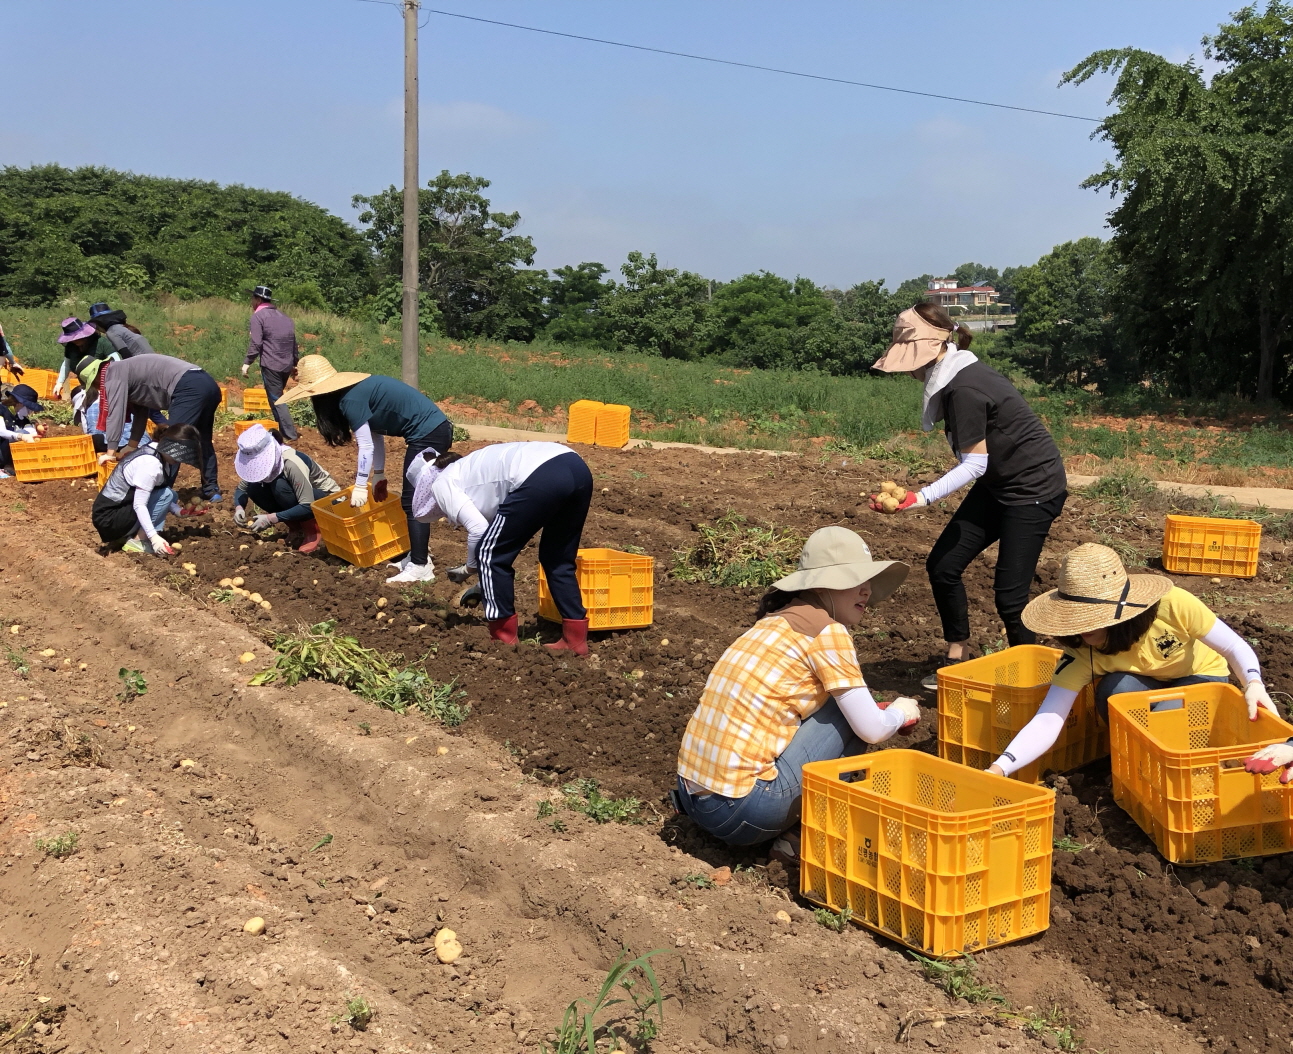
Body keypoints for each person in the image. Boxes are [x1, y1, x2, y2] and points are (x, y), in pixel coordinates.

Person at [674, 527, 921, 849]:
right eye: (854, 580)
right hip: (742, 811)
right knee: (846, 713)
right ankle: (803, 835)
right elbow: (872, 730)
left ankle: (791, 831)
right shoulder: (827, 632)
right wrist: (901, 712)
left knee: (840, 703)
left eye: (867, 581)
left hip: (694, 800)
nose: (866, 590)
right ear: (820, 585)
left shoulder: (772, 622)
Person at [871, 302, 1068, 690]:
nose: (908, 369)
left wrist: (919, 499)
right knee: (943, 566)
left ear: (929, 352)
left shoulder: (965, 388)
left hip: (1032, 490)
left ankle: (1034, 686)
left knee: (1010, 600)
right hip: (1000, 484)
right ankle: (958, 652)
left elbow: (975, 464)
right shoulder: (955, 376)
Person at [985, 543, 1275, 778]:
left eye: (1092, 621)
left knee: (1166, 719)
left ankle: (1175, 762)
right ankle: (1137, 763)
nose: (1084, 630)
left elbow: (1233, 645)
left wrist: (1252, 682)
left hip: (1199, 677)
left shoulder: (1173, 605)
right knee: (1115, 692)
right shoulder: (1080, 652)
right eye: (1075, 621)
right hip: (1142, 686)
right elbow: (1048, 719)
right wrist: (1000, 768)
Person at [277, 355, 452, 584]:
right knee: (410, 500)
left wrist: (361, 485)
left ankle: (420, 566)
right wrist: (378, 473)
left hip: (430, 433)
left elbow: (366, 445)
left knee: (412, 502)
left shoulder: (350, 399)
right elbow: (376, 434)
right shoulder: (354, 393)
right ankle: (416, 556)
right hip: (428, 432)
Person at [407, 441, 593, 653]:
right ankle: (575, 641)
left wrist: (470, 568)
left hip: (541, 474)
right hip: (576, 467)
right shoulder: (469, 468)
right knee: (557, 558)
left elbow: (479, 531)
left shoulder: (441, 483)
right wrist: (484, 583)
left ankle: (502, 640)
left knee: (490, 553)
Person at [77, 353, 223, 501]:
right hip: (206, 383)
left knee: (171, 444)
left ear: (95, 378)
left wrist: (110, 451)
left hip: (187, 387)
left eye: (95, 385)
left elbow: (116, 414)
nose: (99, 389)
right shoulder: (124, 370)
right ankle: (211, 490)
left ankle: (160, 495)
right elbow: (141, 411)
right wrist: (132, 445)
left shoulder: (112, 375)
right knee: (202, 440)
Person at [91, 424, 201, 555]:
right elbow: (140, 504)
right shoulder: (151, 464)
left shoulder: (158, 454)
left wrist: (179, 511)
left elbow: (155, 492)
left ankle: (130, 535)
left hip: (118, 512)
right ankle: (138, 541)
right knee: (166, 494)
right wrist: (153, 537)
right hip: (109, 519)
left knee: (170, 494)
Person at [232, 424, 339, 553]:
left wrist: (270, 519)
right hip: (303, 498)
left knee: (280, 486)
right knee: (254, 487)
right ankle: (296, 529)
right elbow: (242, 488)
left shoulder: (291, 463)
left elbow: (307, 503)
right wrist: (239, 508)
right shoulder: (262, 467)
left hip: (327, 501)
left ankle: (313, 532)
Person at [241, 286, 300, 441]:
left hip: (271, 365)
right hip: (286, 365)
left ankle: (290, 435)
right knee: (277, 398)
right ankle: (281, 432)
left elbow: (256, 343)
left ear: (258, 300)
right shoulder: (285, 318)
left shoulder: (258, 317)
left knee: (277, 399)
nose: (251, 302)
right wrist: (295, 363)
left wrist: (247, 363)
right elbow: (293, 342)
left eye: (253, 299)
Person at [54, 317, 104, 399]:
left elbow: (117, 361)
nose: (75, 341)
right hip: (87, 387)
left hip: (105, 384)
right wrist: (59, 383)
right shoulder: (71, 347)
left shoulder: (101, 343)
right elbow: (67, 364)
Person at [0, 384, 43, 478]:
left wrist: (38, 434)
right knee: (22, 434)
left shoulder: (21, 418)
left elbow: (30, 433)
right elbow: (1, 431)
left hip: (4, 455)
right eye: (29, 408)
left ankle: (9, 465)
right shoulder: (1, 410)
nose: (30, 412)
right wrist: (21, 436)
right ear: (20, 403)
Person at [87, 302, 157, 358]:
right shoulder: (121, 327)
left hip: (144, 361)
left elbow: (126, 354)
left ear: (99, 323)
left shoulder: (111, 332)